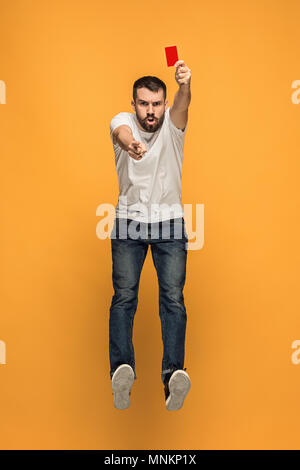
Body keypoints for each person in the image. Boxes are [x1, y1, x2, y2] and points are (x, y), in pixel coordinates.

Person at [108, 60, 192, 411]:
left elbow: (183, 103)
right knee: (124, 298)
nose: (151, 110)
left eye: (157, 103)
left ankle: (173, 376)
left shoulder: (173, 126)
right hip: (129, 221)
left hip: (169, 222)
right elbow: (121, 134)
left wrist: (184, 84)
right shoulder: (122, 122)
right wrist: (131, 147)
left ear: (163, 104)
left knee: (172, 300)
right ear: (134, 105)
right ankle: (121, 371)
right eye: (144, 103)